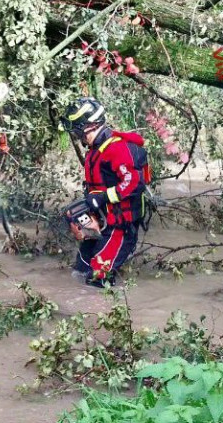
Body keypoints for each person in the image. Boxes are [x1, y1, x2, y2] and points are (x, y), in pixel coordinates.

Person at [60, 97, 150, 288]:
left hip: (120, 228)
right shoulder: (95, 150)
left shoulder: (117, 148)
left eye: (77, 129)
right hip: (103, 221)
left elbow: (134, 182)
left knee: (96, 280)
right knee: (80, 271)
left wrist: (102, 197)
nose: (76, 135)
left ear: (90, 125)